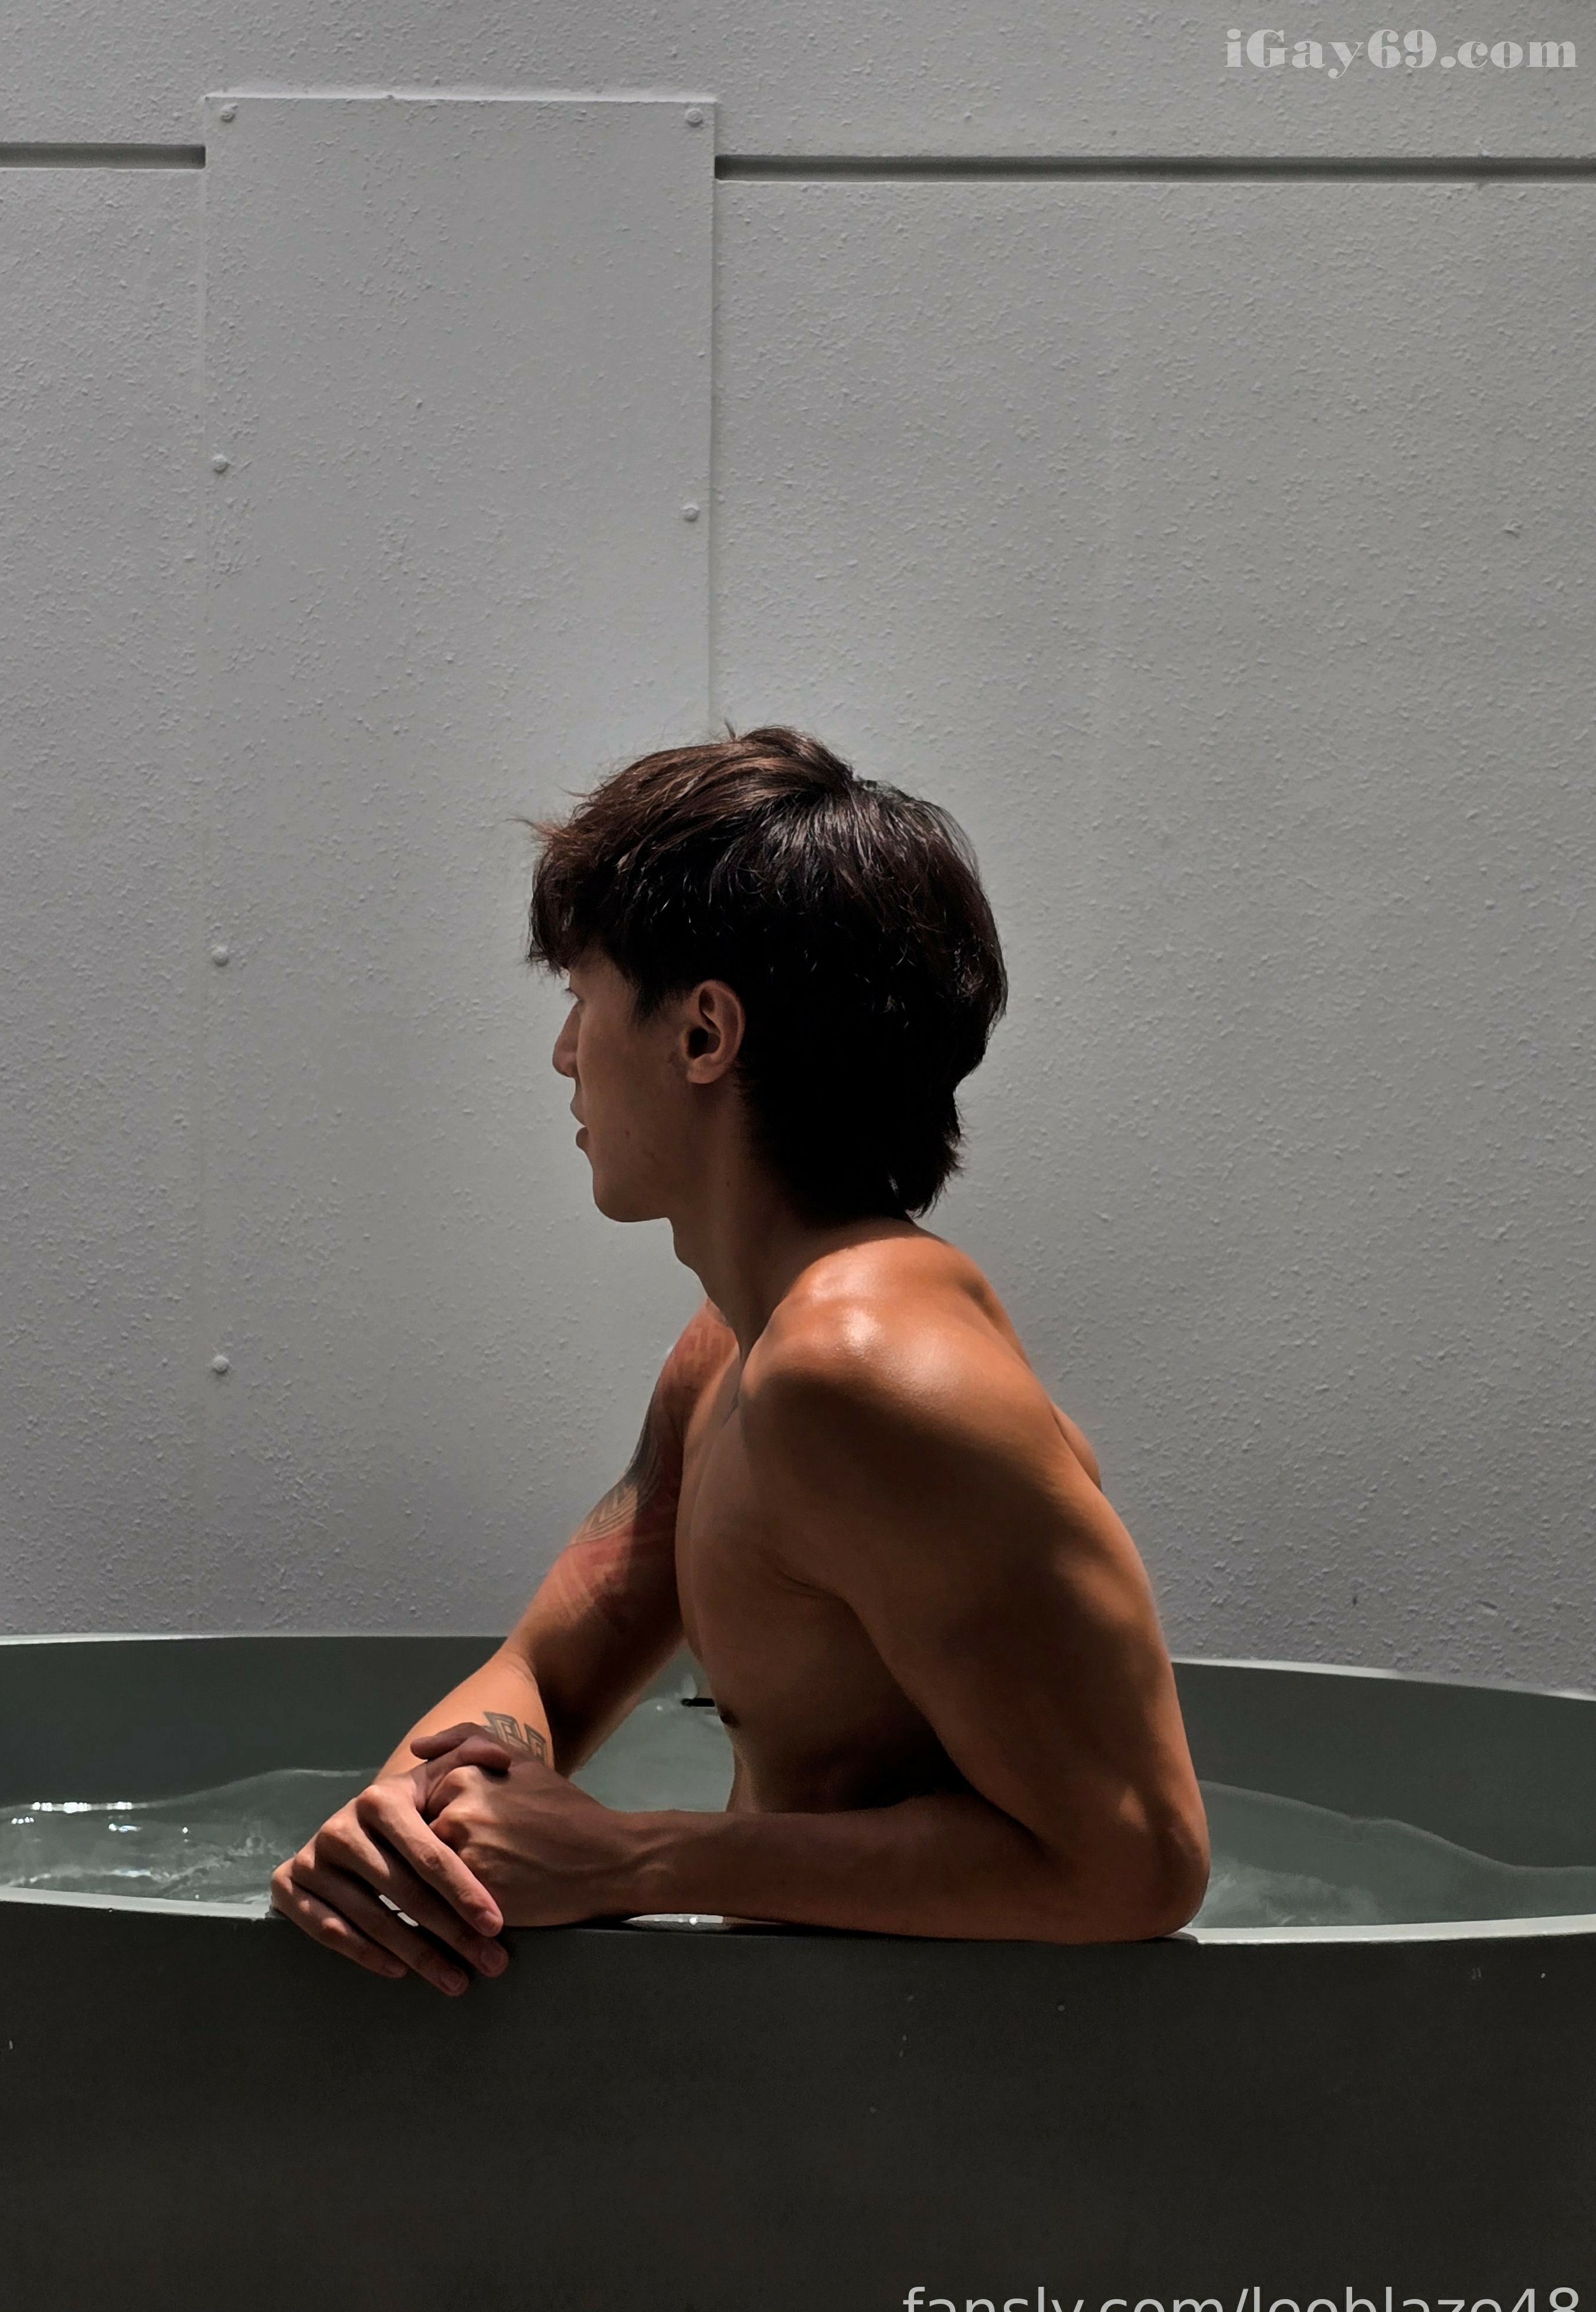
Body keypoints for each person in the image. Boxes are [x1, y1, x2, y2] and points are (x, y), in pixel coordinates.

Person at [270, 725, 1210, 1992]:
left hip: (946, 2087)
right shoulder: (733, 1351)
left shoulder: (861, 1373)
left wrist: (630, 1860)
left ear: (704, 1033)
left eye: (584, 997)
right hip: (831, 2058)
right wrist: (404, 1825)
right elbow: (548, 1670)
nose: (564, 1053)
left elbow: (1137, 1864)